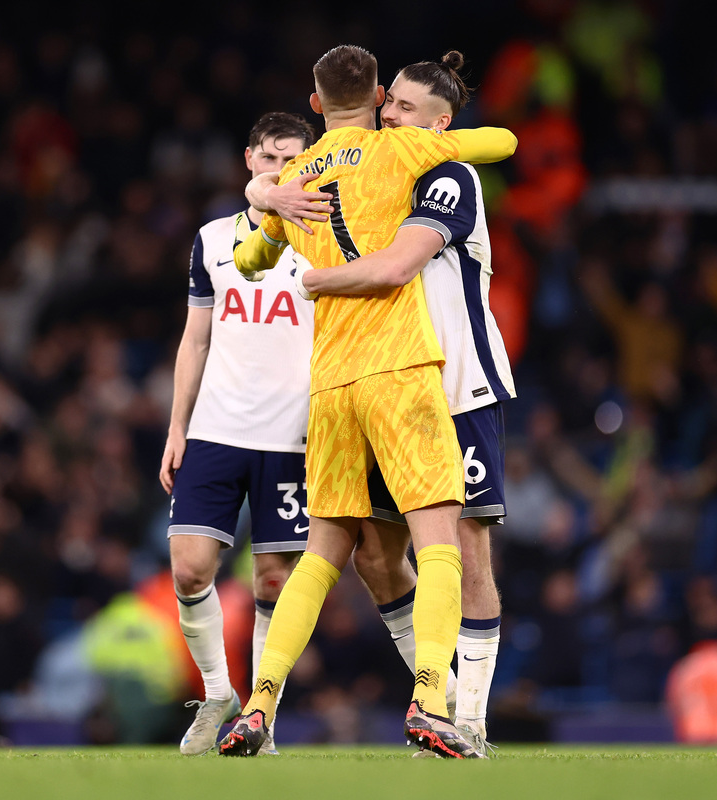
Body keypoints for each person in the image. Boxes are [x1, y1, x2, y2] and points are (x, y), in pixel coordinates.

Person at [218, 44, 516, 759]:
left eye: (406, 110)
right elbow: (501, 141)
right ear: (376, 94)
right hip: (403, 368)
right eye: (390, 102)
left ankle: (262, 706)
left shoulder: (315, 174)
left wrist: (270, 197)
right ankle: (431, 701)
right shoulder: (398, 155)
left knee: (339, 552)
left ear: (314, 105)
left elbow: (255, 259)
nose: (393, 112)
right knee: (417, 547)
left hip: (371, 381)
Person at [160, 112, 318, 755]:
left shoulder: (326, 239)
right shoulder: (212, 239)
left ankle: (262, 716)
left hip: (292, 435)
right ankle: (218, 691)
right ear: (249, 159)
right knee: (190, 569)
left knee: (274, 582)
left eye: (292, 159)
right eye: (270, 157)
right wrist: (177, 425)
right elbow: (196, 336)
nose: (279, 169)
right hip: (216, 429)